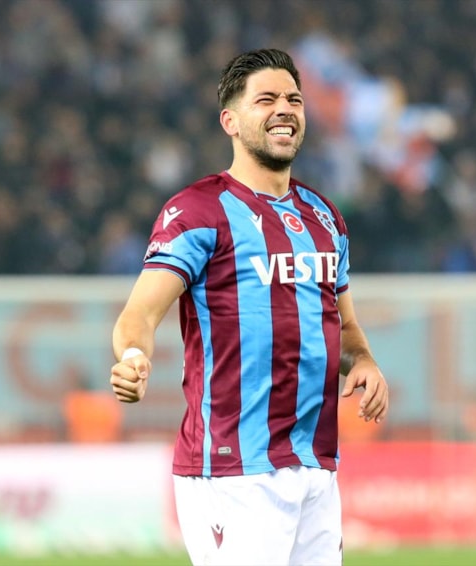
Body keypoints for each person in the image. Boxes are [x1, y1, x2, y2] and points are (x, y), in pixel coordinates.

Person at [109, 48, 388, 566]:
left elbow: (345, 324)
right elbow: (139, 315)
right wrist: (132, 358)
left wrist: (364, 362)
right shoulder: (198, 210)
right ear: (230, 121)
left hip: (315, 464)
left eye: (294, 100)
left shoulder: (325, 217)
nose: (285, 109)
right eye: (266, 99)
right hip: (233, 469)